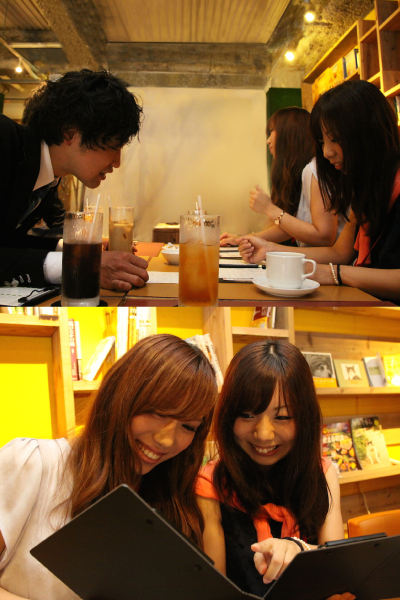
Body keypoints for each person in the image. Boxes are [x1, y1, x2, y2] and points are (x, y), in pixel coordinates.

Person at [0, 334, 218, 600]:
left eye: (188, 426)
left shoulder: (173, 502)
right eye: (159, 413)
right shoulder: (34, 462)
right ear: (120, 395)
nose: (166, 440)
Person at [196, 339, 344, 598]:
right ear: (229, 416)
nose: (263, 434)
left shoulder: (322, 472)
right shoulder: (210, 483)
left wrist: (300, 549)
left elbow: (338, 569)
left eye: (282, 417)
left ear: (305, 418)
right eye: (247, 415)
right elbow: (214, 591)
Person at [238, 81, 400, 302]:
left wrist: (335, 274)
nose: (327, 152)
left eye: (335, 139)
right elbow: (339, 253)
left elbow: (326, 240)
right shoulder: (366, 187)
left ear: (369, 130)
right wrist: (270, 250)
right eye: (323, 142)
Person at [0, 69, 148, 291]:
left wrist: (81, 251)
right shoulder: (4, 141)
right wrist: (79, 265)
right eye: (113, 146)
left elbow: (10, 244)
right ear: (70, 133)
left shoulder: (47, 176)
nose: (117, 162)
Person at [220, 107, 344, 248]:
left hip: (328, 260)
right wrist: (243, 239)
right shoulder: (303, 172)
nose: (268, 141)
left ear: (290, 133)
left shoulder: (313, 169)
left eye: (272, 131)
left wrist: (269, 208)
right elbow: (290, 229)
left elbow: (324, 237)